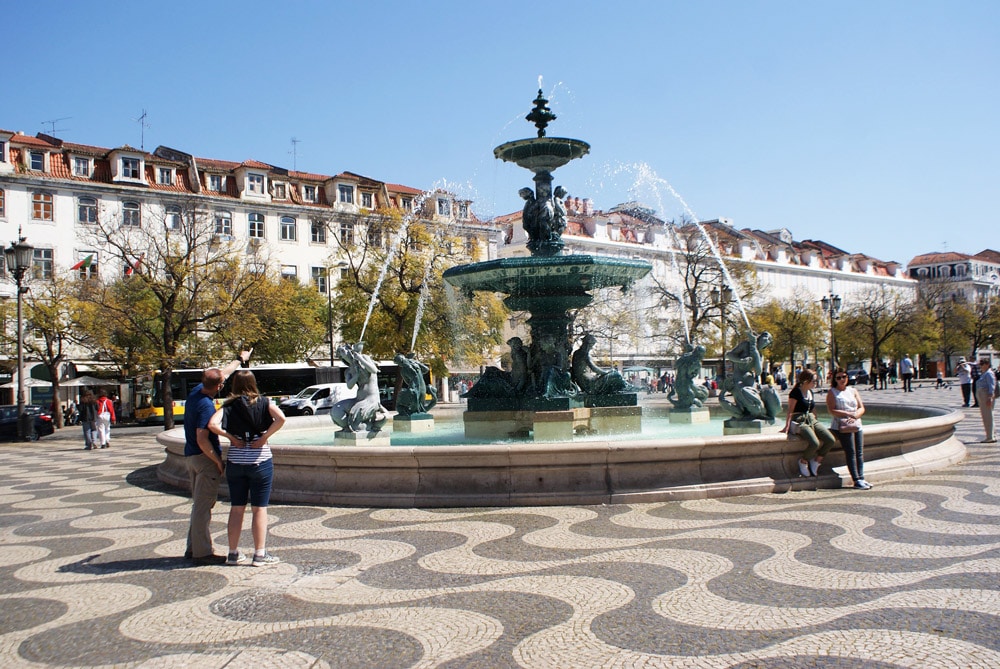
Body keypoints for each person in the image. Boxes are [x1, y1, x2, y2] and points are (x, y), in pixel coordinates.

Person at [208, 369, 285, 567]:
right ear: (253, 383)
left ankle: (233, 553)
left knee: (236, 508)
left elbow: (212, 424)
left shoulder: (229, 405)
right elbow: (281, 419)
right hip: (260, 461)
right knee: (260, 509)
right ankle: (259, 554)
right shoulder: (264, 402)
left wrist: (231, 438)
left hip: (236, 460)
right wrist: (265, 437)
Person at [183, 351, 251, 565]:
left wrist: (239, 361)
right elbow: (202, 437)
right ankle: (202, 553)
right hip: (204, 460)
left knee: (198, 505)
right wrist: (217, 461)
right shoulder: (205, 405)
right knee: (204, 507)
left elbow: (223, 373)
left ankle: (193, 547)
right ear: (220, 387)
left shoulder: (196, 392)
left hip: (191, 457)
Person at [782, 369, 837, 477]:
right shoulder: (796, 392)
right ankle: (803, 461)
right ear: (806, 381)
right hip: (800, 419)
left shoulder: (810, 392)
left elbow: (813, 409)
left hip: (811, 419)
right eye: (814, 381)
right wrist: (787, 426)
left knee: (830, 440)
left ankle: (816, 461)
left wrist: (817, 423)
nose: (815, 383)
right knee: (814, 443)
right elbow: (790, 410)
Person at [827, 368, 871, 489]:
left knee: (859, 452)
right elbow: (831, 410)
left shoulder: (853, 390)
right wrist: (847, 414)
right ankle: (856, 479)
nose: (842, 379)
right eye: (839, 377)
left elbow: (862, 407)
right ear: (835, 380)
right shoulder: (832, 392)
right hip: (842, 425)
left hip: (856, 423)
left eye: (844, 377)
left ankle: (861, 477)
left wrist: (856, 415)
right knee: (851, 452)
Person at [974, 359, 996, 443]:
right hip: (983, 395)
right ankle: (992, 435)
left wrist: (990, 397)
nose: (980, 366)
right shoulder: (984, 373)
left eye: (982, 364)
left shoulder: (989, 374)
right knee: (988, 415)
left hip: (986, 395)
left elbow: (991, 386)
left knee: (987, 416)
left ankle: (990, 436)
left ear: (987, 364)